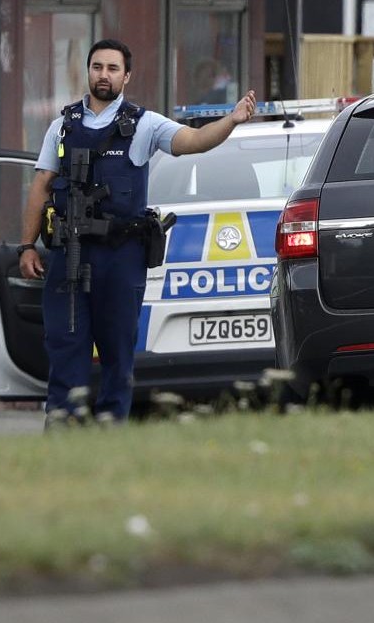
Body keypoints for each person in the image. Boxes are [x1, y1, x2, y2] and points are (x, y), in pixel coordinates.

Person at [16, 39, 255, 425]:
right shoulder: (62, 126)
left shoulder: (143, 123)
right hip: (69, 254)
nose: (104, 75)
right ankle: (62, 432)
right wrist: (27, 246)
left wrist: (231, 120)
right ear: (87, 72)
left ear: (126, 76)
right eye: (97, 67)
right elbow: (42, 184)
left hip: (120, 257)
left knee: (117, 352)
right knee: (65, 347)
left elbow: (192, 142)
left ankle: (112, 431)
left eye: (112, 68)